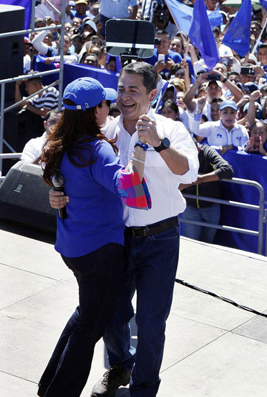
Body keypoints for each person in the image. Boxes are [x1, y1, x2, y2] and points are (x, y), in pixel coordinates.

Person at [51, 62, 199, 396]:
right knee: (113, 314)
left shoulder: (170, 129)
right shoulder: (105, 131)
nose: (125, 96)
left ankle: (145, 388)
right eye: (121, 88)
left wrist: (158, 144)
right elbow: (75, 171)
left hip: (161, 238)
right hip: (117, 241)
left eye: (134, 90)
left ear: (152, 94)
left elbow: (188, 173)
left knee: (150, 322)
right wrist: (58, 195)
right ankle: (120, 368)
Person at [38, 78, 150, 397]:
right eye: (104, 103)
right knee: (90, 328)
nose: (109, 107)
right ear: (93, 111)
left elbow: (58, 183)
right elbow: (132, 191)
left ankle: (48, 386)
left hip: (73, 248)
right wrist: (141, 150)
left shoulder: (59, 144)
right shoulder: (97, 150)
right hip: (100, 252)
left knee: (84, 316)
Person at [179, 141, 234, 243]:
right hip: (190, 208)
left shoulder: (207, 151)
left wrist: (200, 179)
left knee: (208, 245)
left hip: (211, 206)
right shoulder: (178, 155)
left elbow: (227, 170)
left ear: (198, 149)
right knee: (191, 244)